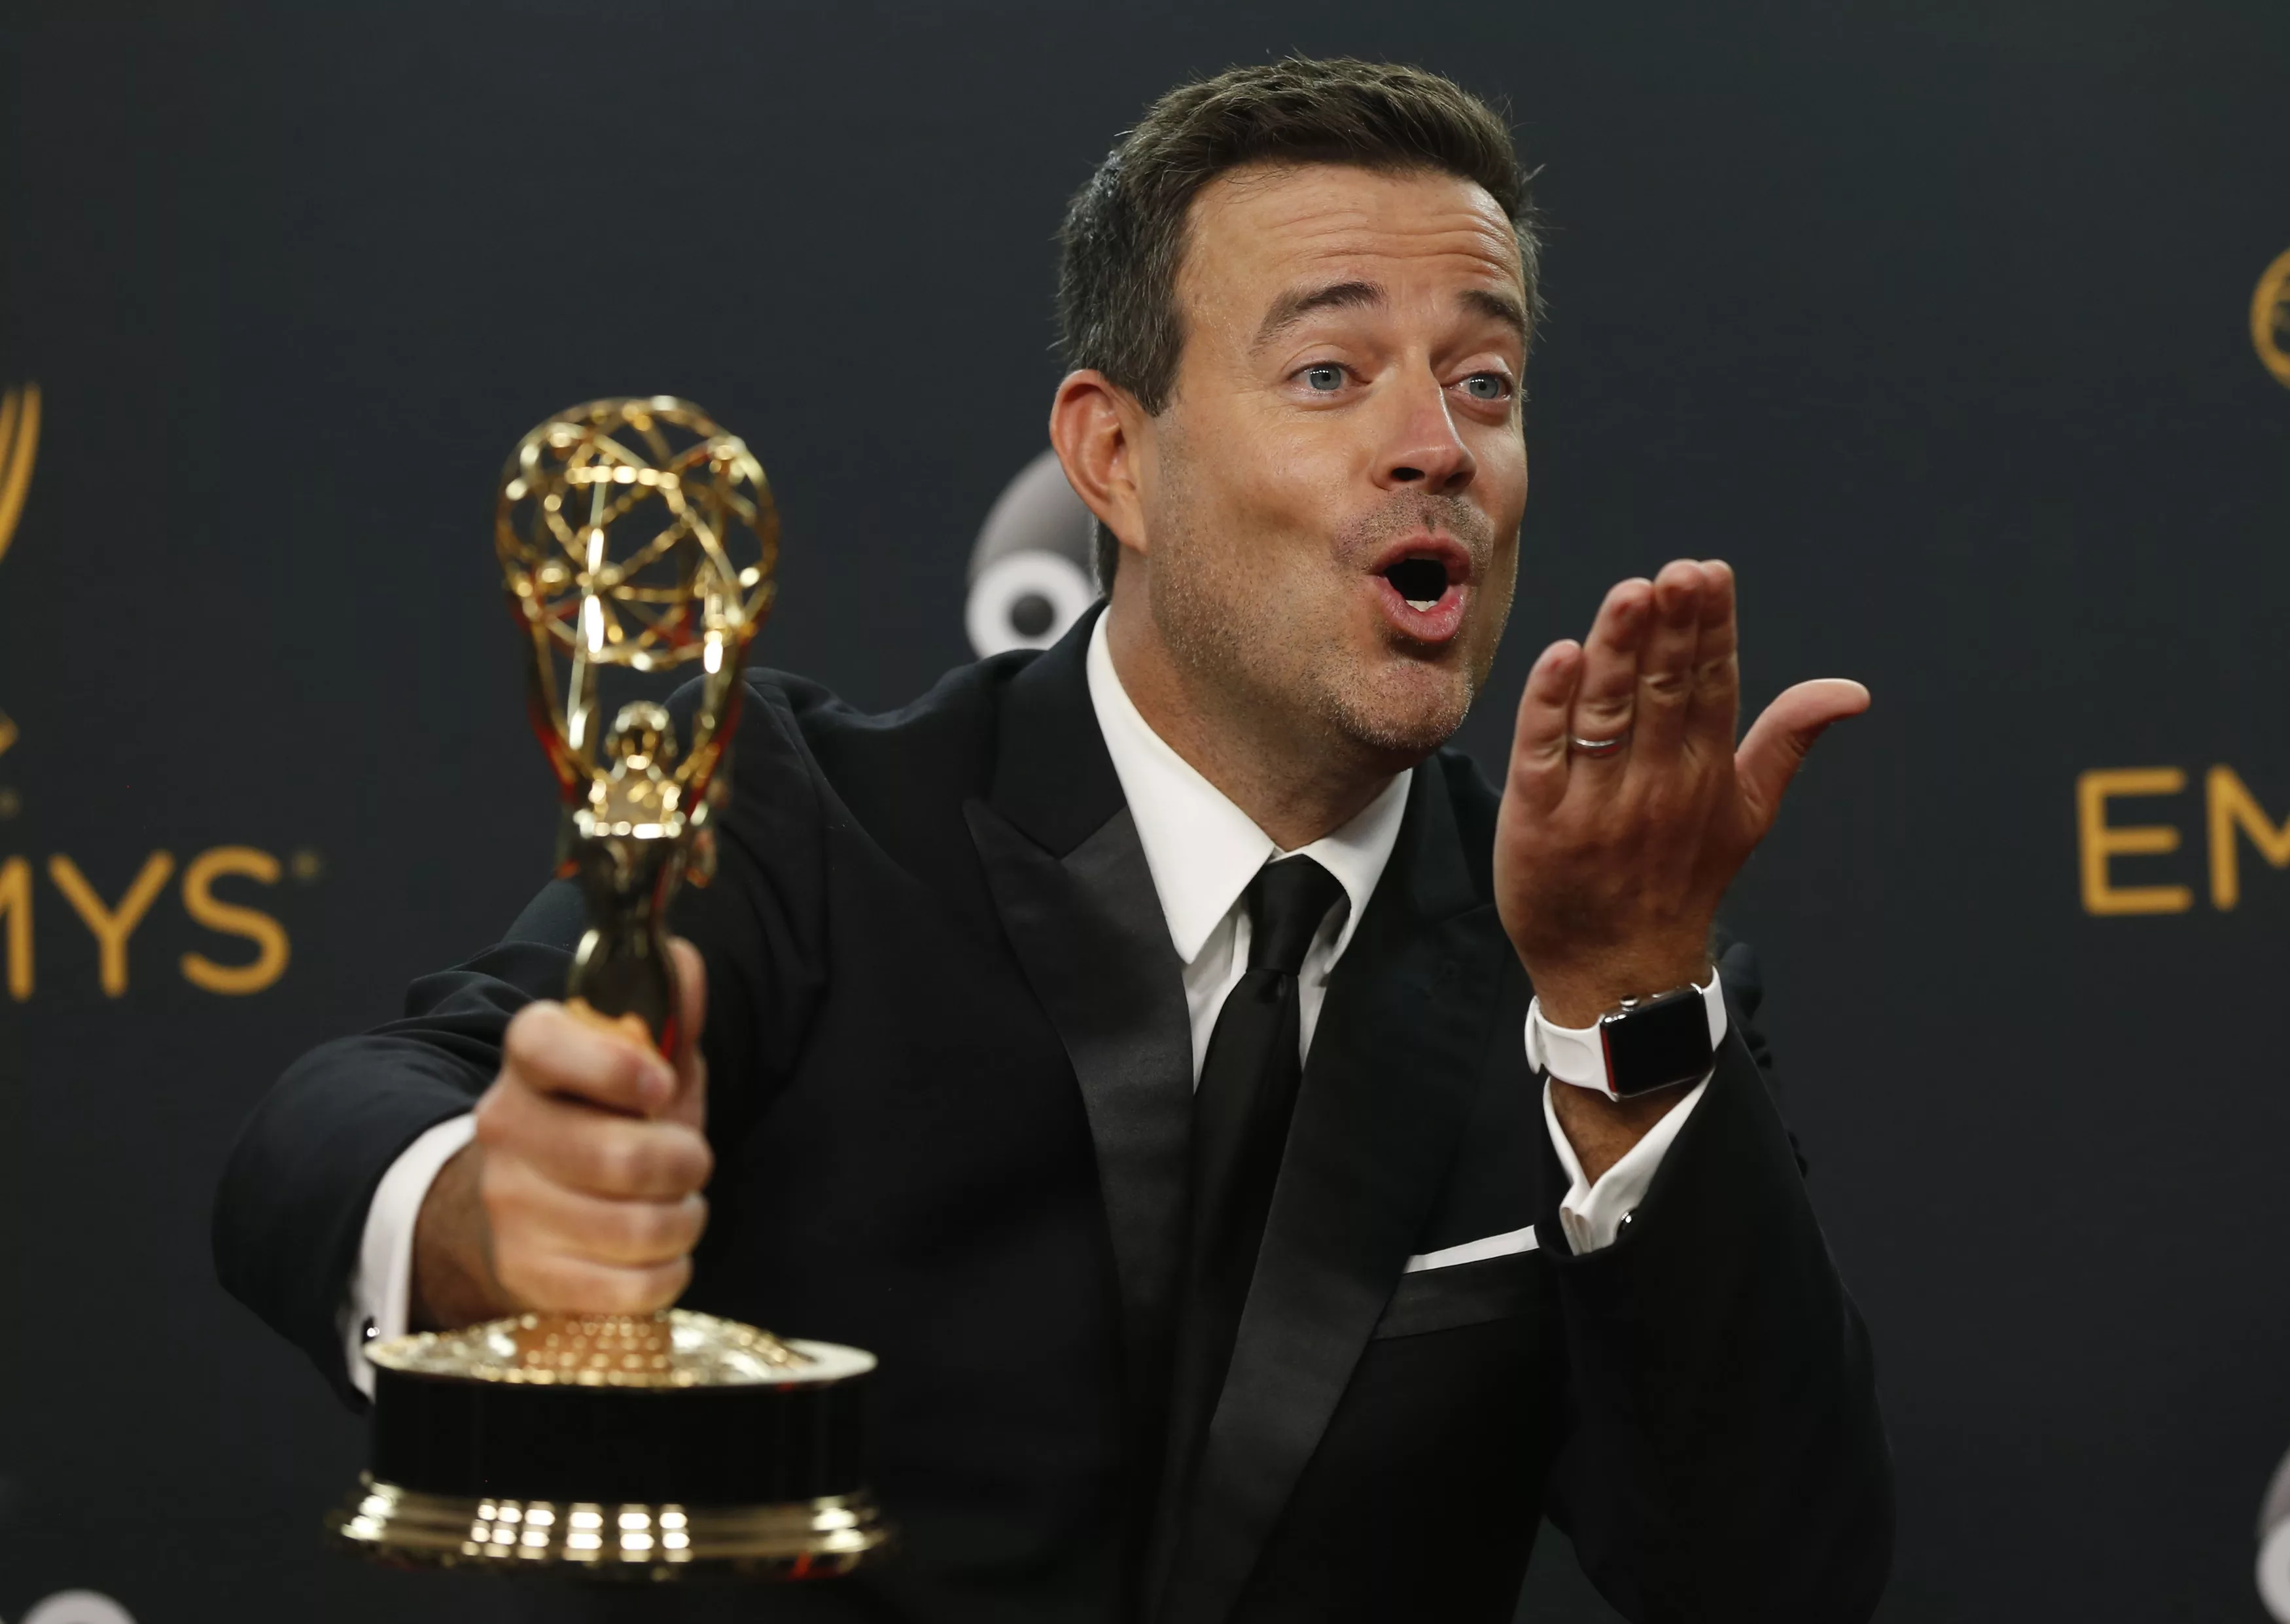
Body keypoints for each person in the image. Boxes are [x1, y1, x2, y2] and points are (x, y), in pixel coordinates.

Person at [215, 57, 1891, 1623]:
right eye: (1328, 371)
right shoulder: (811, 819)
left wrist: (1622, 1013)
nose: (1436, 445)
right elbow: (332, 1120)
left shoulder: (1594, 962)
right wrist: (479, 1214)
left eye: (1486, 380)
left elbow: (1770, 1571)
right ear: (1113, 457)